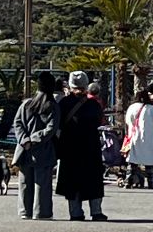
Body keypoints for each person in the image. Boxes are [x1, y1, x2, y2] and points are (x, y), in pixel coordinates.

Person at [56, 70, 108, 221]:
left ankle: (75, 212)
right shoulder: (94, 104)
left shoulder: (64, 104)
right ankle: (96, 211)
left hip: (70, 147)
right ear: (86, 85)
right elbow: (99, 121)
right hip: (90, 147)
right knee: (93, 179)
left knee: (72, 180)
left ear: (70, 85)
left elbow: (58, 124)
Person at [13, 72, 60, 220]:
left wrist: (25, 140)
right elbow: (51, 129)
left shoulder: (26, 104)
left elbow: (17, 123)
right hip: (44, 149)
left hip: (24, 149)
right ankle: (42, 212)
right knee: (42, 183)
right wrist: (35, 139)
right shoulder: (52, 106)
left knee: (25, 182)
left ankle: (24, 211)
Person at [123, 90, 153, 189]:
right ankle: (151, 182)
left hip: (134, 137)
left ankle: (128, 181)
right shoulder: (150, 108)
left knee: (133, 161)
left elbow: (127, 120)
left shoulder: (132, 107)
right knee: (149, 161)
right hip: (147, 138)